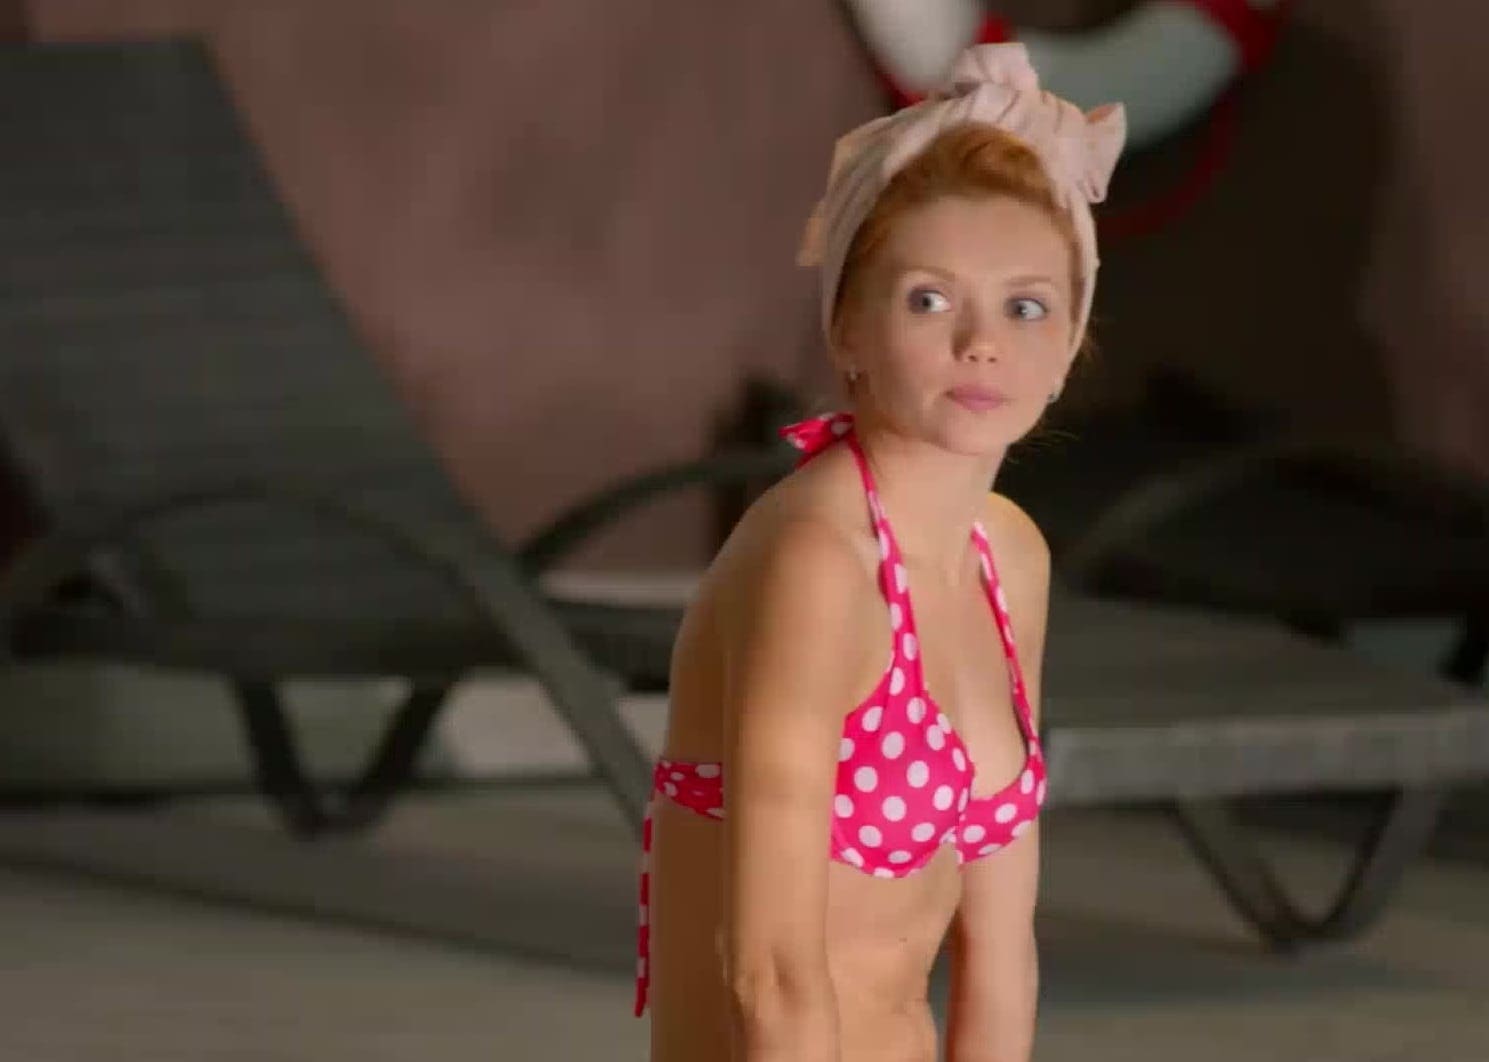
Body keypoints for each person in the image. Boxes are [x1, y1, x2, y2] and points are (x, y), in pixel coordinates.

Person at [636, 43, 1125, 1062]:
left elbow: (1001, 950)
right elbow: (767, 972)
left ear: (1066, 350)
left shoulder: (1006, 556)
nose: (982, 342)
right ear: (847, 332)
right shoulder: (817, 563)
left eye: (1026, 306)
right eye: (929, 299)